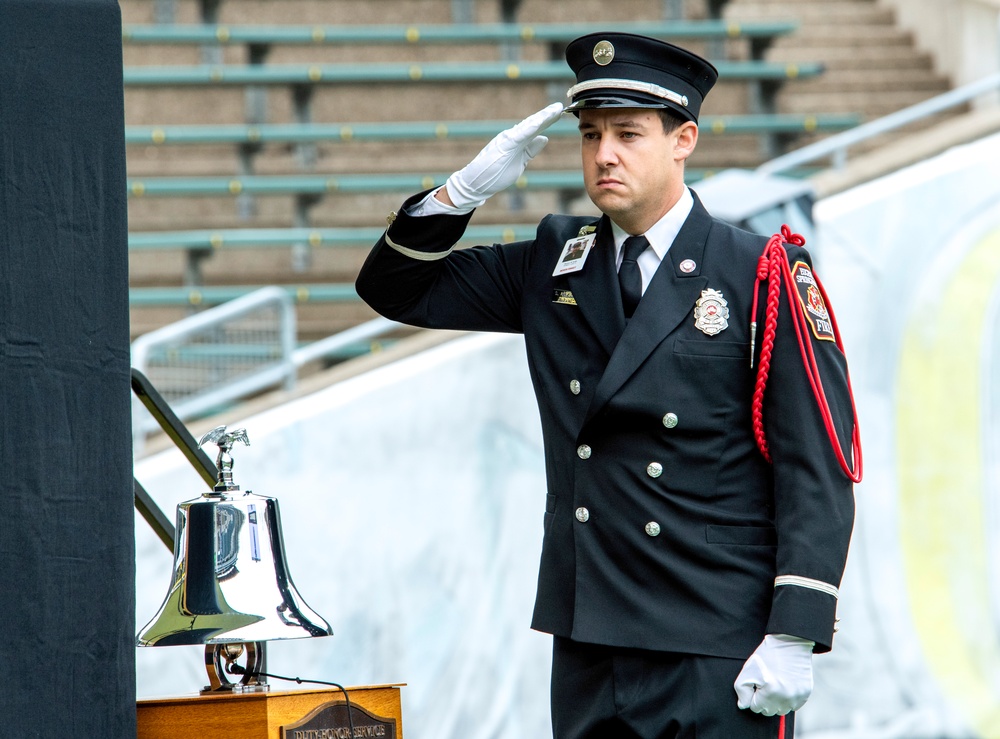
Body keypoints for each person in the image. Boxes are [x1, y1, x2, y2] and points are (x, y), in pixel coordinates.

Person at [356, 31, 858, 739]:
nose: (604, 155)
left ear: (684, 139)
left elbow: (817, 464)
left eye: (627, 133)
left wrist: (796, 629)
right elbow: (395, 289)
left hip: (716, 641)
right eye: (590, 135)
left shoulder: (760, 272)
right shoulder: (555, 264)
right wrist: (460, 192)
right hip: (590, 637)